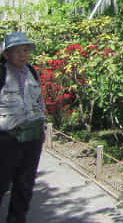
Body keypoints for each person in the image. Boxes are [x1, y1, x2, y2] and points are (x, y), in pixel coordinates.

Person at [0, 32, 46, 223]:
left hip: (32, 139)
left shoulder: (32, 72)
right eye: (17, 51)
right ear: (6, 54)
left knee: (24, 186)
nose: (22, 54)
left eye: (25, 50)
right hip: (6, 139)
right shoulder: (1, 73)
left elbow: (40, 102)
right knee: (1, 184)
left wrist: (42, 128)